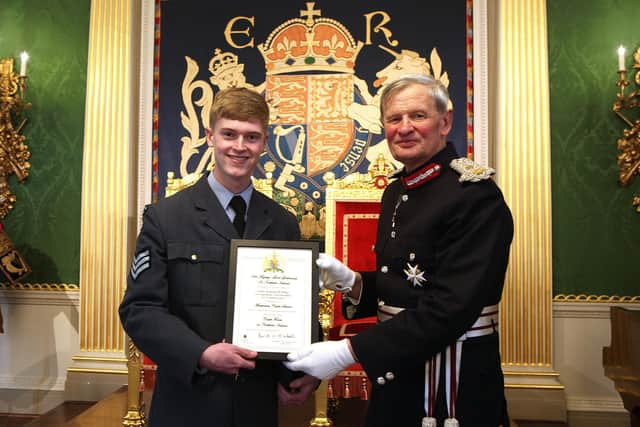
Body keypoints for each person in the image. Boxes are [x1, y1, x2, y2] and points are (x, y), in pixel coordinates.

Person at [285, 74, 514, 427]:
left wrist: (348, 352)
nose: (404, 128)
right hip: (399, 368)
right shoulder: (397, 191)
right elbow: (411, 285)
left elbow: (450, 307)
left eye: (418, 116)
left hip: (450, 384)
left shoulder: (475, 196)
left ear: (445, 121)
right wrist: (355, 283)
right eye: (394, 119)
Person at [119, 87, 318, 427]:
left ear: (265, 143)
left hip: (256, 406)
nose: (239, 147)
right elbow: (139, 310)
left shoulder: (282, 222)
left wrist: (303, 371)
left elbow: (295, 309)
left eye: (251, 137)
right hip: (188, 401)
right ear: (210, 136)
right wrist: (201, 353)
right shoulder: (165, 218)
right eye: (229, 134)